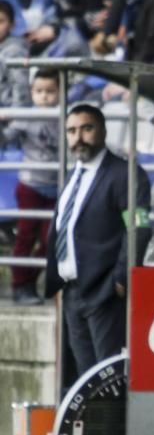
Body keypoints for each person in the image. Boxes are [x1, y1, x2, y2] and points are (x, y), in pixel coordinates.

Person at [45, 104, 151, 382]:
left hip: (105, 291)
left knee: (108, 376)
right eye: (71, 130)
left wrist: (121, 279)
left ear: (103, 131)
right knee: (85, 380)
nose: (78, 137)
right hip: (72, 292)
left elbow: (138, 228)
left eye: (86, 128)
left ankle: (112, 427)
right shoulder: (72, 174)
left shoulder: (125, 173)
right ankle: (92, 427)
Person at [0, 69, 60, 305]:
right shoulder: (26, 116)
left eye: (50, 91)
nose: (44, 97)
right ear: (32, 93)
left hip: (57, 187)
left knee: (50, 241)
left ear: (60, 91)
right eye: (39, 91)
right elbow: (7, 137)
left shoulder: (65, 114)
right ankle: (20, 285)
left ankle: (31, 280)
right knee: (25, 237)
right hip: (31, 186)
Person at [0, 0, 30, 108]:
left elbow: (21, 87)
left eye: (0, 21)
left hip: (8, 117)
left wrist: (16, 118)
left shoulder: (15, 51)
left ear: (12, 25)